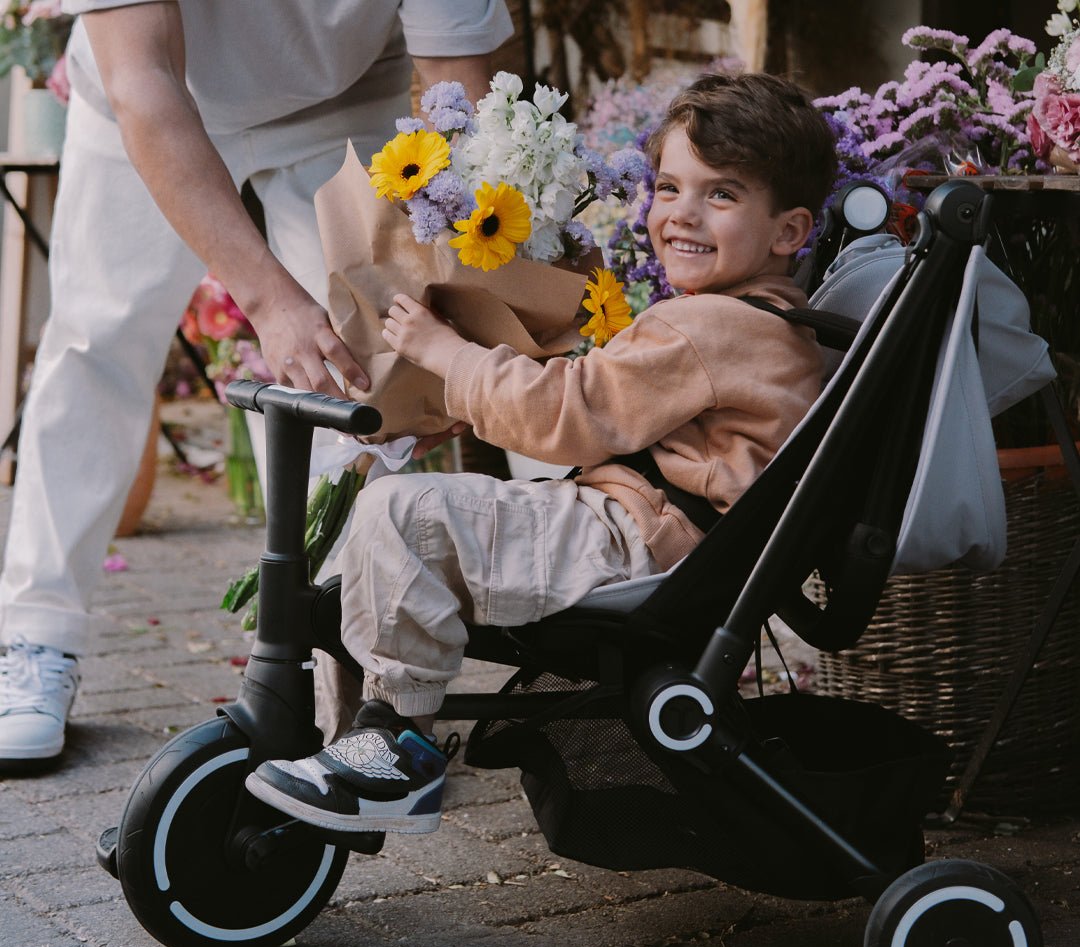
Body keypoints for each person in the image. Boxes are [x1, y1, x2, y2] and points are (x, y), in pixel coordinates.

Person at [244, 71, 839, 835]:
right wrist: (468, 393)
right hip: (649, 530)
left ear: (788, 232)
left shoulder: (716, 327)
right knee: (408, 528)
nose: (680, 214)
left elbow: (574, 411)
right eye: (666, 187)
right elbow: (604, 400)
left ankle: (396, 744)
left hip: (638, 544)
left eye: (720, 195)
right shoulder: (744, 320)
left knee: (404, 512)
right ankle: (370, 741)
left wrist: (450, 357)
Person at [0, 0, 513, 767]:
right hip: (151, 97)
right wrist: (270, 299)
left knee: (360, 377)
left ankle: (351, 661)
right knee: (95, 344)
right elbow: (145, 85)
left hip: (339, 101)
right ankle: (34, 634)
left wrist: (463, 310)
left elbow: (459, 99)